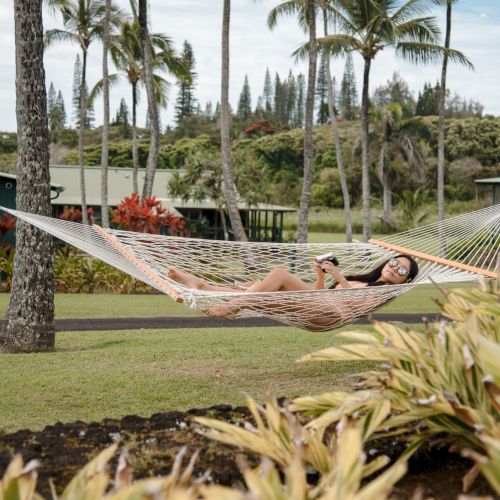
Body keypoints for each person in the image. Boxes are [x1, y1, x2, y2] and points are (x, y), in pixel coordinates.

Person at [167, 254, 419, 319]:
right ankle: (201, 285)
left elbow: (354, 302)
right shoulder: (365, 278)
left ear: (404, 280)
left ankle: (234, 303)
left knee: (272, 280)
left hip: (329, 314)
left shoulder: (383, 291)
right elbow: (323, 292)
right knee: (268, 284)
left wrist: (339, 276)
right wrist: (320, 274)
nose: (394, 268)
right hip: (320, 302)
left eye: (401, 271)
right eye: (394, 262)